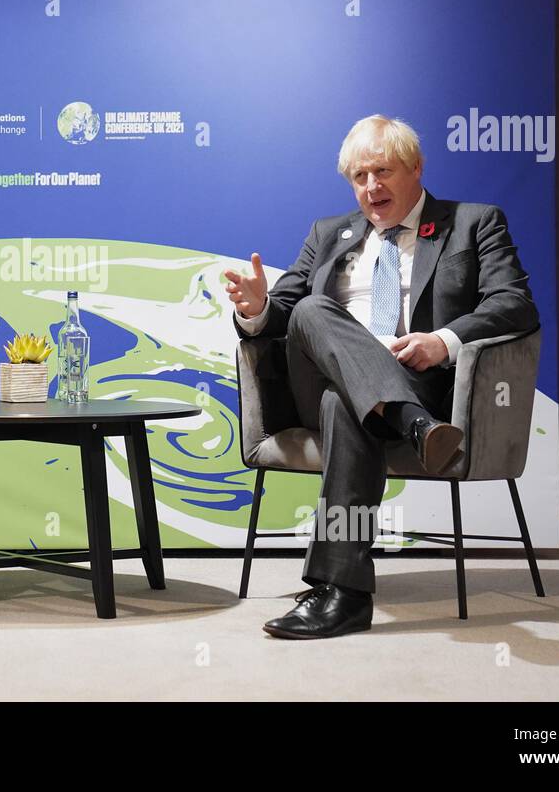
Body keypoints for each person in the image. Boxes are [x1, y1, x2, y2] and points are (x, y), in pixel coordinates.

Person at [223, 115, 538, 639]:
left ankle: (342, 593)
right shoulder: (328, 234)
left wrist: (443, 341)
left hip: (418, 382)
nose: (372, 187)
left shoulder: (474, 222)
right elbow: (283, 313)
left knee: (344, 406)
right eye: (360, 176)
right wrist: (257, 310)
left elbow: (515, 303)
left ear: (415, 167)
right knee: (310, 311)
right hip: (326, 379)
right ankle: (413, 426)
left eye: (384, 171)